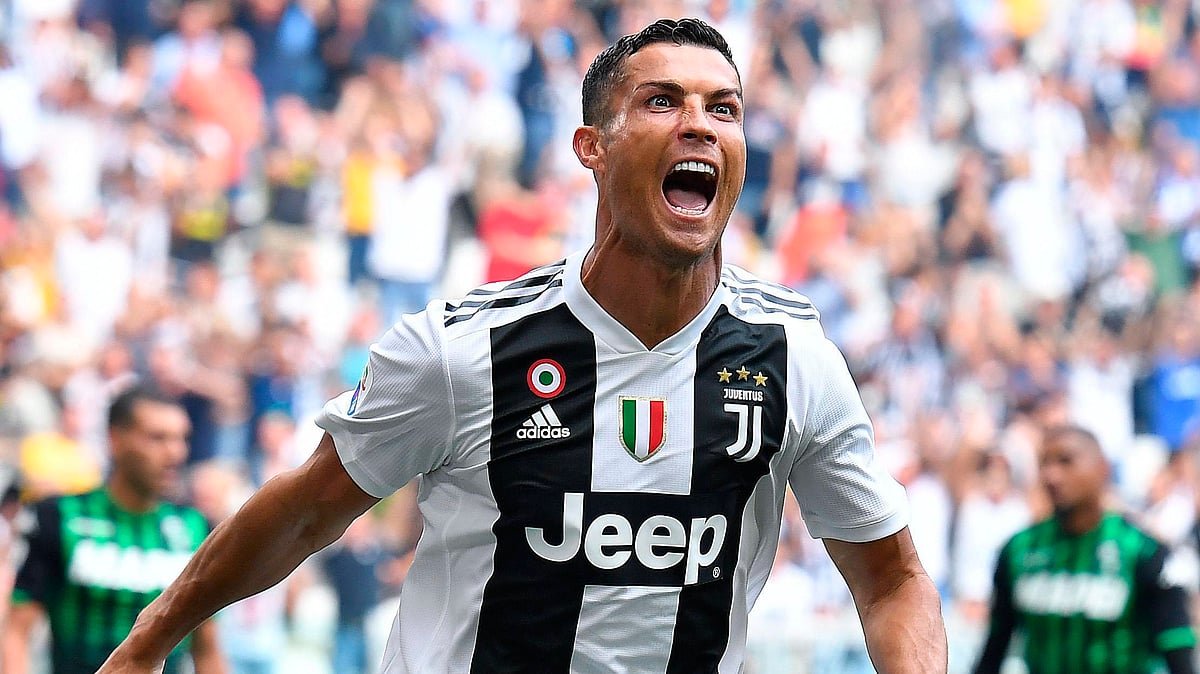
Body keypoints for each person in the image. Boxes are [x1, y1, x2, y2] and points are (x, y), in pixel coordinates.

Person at [98, 18, 946, 674]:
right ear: (591, 147)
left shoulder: (791, 356)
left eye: (723, 108)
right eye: (663, 101)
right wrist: (150, 641)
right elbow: (308, 508)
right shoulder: (465, 350)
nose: (700, 124)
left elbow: (893, 577)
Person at [2, 385, 224, 674]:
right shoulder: (62, 515)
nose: (176, 452)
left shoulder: (196, 527)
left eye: (182, 439)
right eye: (158, 438)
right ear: (115, 439)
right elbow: (17, 631)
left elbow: (207, 647)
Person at [973, 425, 1197, 674]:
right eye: (1044, 463)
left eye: (1065, 461)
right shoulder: (1018, 550)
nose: (1052, 475)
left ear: (1103, 468)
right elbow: (994, 648)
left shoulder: (1142, 550)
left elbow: (1177, 648)